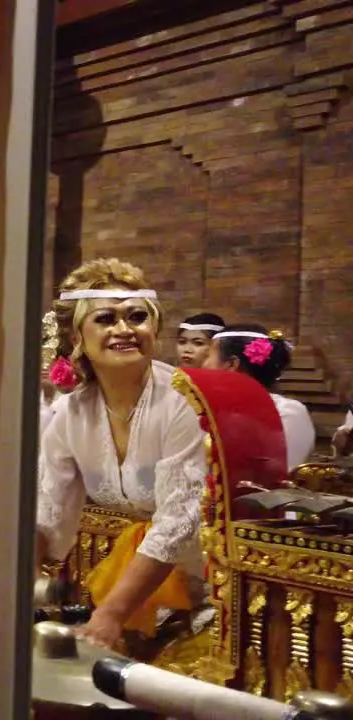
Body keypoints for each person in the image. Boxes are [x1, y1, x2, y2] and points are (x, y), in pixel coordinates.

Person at [35, 258, 207, 658]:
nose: (124, 330)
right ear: (77, 336)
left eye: (137, 317)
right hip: (136, 590)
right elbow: (49, 512)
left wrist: (111, 614)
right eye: (106, 319)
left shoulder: (182, 402)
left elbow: (177, 521)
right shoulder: (70, 413)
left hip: (211, 589)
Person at [202, 324, 315, 470]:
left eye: (207, 356)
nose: (202, 365)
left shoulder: (286, 412)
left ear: (231, 364)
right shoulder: (210, 407)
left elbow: (277, 475)